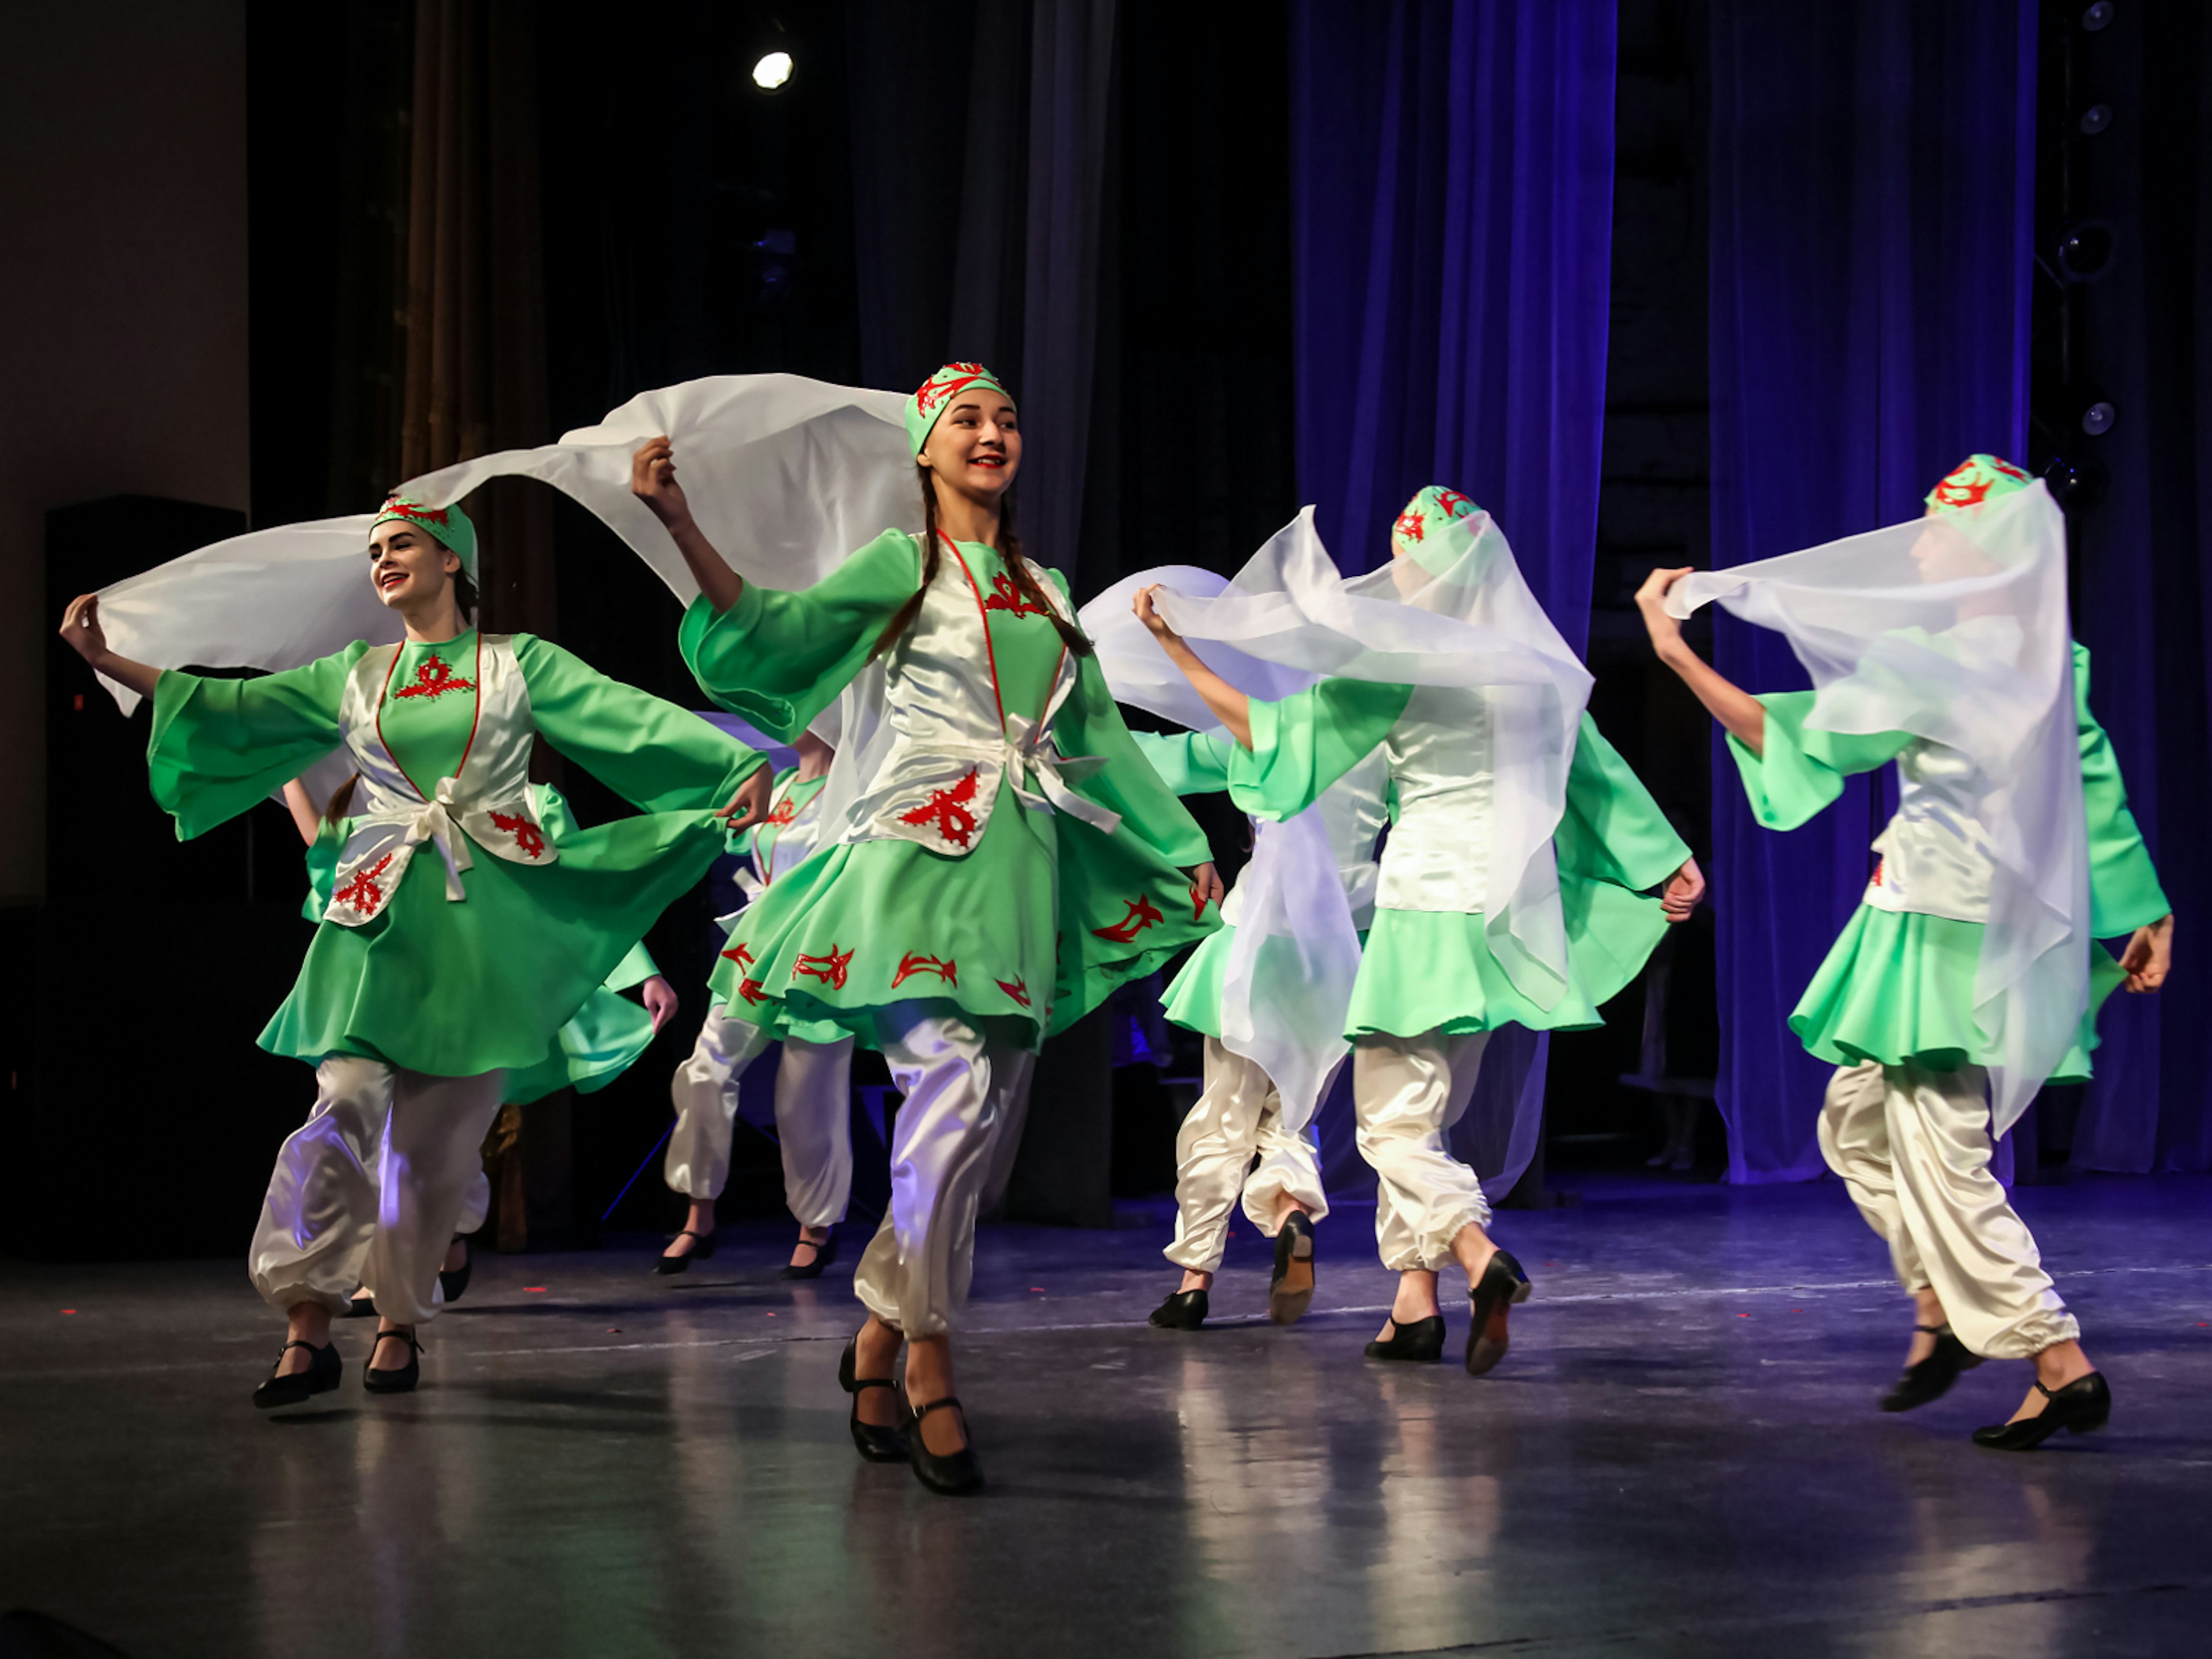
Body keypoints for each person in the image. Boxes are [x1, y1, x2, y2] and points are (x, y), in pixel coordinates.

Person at [632, 361, 1222, 1494]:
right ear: (924, 446)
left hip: (1019, 868)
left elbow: (1097, 736)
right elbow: (777, 630)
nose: (992, 432)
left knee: (979, 1124)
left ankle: (874, 1331)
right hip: (914, 852)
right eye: (967, 419)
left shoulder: (1045, 586)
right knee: (949, 1092)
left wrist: (1184, 855)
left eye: (1007, 416)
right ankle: (933, 1354)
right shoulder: (904, 565)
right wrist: (682, 522)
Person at [58, 494, 769, 1406]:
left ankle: (398, 1321)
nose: (384, 560)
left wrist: (736, 768)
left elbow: (627, 721)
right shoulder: (357, 677)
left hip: (487, 916)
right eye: (376, 550)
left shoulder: (520, 666)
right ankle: (306, 1319)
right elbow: (237, 707)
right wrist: (108, 661)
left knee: (436, 1146)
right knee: (343, 1102)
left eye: (402, 545)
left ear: (451, 562)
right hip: (378, 911)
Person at [1637, 454, 2173, 1450]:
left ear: (1982, 552)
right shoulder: (2055, 656)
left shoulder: (1931, 661)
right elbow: (2093, 791)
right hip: (1969, 923)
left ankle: (2056, 1359)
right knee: (1859, 1129)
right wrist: (2143, 909)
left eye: (1937, 526)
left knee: (1942, 1154)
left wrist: (1676, 655)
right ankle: (1939, 1306)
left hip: (1939, 931)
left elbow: (1794, 740)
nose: (1920, 541)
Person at [1135, 486, 1703, 1374]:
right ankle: (1413, 1308)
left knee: (1389, 1133)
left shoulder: (1397, 661)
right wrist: (1661, 859)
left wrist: (1176, 649)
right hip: (1505, 918)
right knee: (1424, 1122)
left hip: (1423, 917)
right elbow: (1590, 770)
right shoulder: (1529, 664)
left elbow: (1277, 742)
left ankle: (1479, 1255)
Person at [280, 774, 681, 1310]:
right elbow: (331, 853)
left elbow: (578, 892)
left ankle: (444, 1237)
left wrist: (641, 973)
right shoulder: (394, 799)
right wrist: (288, 777)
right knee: (377, 1119)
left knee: (442, 1133)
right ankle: (403, 1267)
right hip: (398, 978)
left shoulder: (537, 801)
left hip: (484, 991)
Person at [1126, 725, 1387, 1332]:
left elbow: (1158, 760)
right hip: (1344, 947)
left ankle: (1195, 1279)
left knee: (1224, 1112)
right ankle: (1292, 1208)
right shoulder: (1378, 737)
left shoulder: (1261, 729)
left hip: (1258, 938)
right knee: (1292, 1110)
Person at [657, 726, 859, 1279]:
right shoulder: (783, 783)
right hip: (757, 946)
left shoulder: (854, 786)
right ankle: (699, 1215)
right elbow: (737, 848)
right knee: (705, 1072)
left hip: (819, 952)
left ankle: (815, 1227)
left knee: (807, 1096)